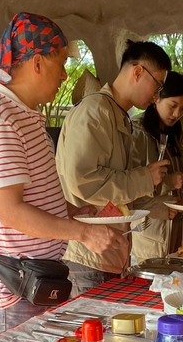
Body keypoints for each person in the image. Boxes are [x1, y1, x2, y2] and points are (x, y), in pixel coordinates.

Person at [0, 12, 127, 341]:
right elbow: (11, 212)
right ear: (37, 63)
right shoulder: (0, 120)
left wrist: (70, 210)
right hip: (8, 289)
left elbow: (30, 193)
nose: (65, 76)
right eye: (60, 63)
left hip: (31, 281)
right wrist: (82, 233)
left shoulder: (24, 113)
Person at [56, 39, 171, 296]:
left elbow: (115, 196)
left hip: (108, 252)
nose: (157, 96)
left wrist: (155, 206)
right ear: (138, 72)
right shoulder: (95, 111)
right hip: (87, 256)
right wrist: (145, 177)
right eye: (157, 85)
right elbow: (84, 182)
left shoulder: (116, 114)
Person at [131, 71, 183, 262]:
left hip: (176, 231)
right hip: (151, 235)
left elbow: (175, 176)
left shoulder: (171, 133)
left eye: (182, 109)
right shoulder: (137, 132)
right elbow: (128, 186)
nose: (177, 114)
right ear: (156, 97)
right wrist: (168, 182)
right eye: (173, 106)